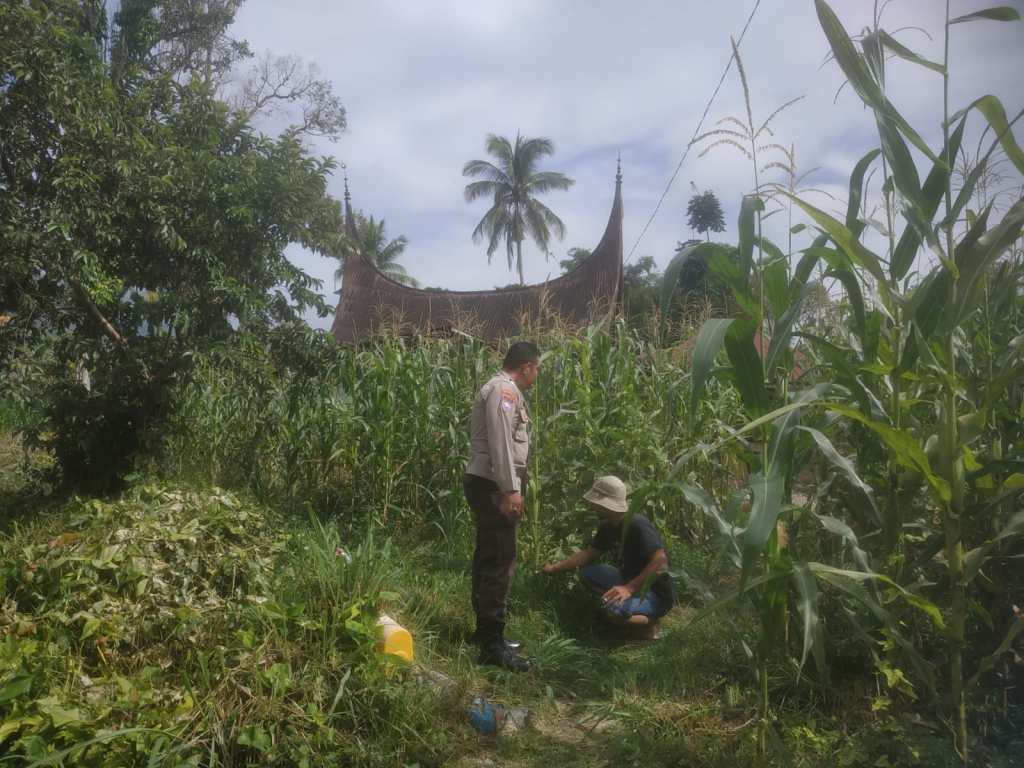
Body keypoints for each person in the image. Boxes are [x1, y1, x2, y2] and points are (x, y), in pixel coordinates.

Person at [463, 341, 540, 672]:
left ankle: (485, 633)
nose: (537, 374)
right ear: (525, 366)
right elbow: (501, 443)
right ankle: (492, 645)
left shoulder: (504, 391)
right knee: (500, 559)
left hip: (490, 483)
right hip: (495, 485)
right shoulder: (504, 391)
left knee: (489, 554)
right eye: (536, 368)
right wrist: (511, 489)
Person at [542, 475, 675, 633]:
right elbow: (588, 554)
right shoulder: (607, 526)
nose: (592, 505)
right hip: (627, 579)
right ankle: (620, 604)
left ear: (606, 504)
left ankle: (649, 625)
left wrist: (629, 589)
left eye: (595, 502)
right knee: (589, 574)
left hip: (654, 592)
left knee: (613, 612)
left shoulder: (637, 524)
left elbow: (661, 562)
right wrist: (554, 568)